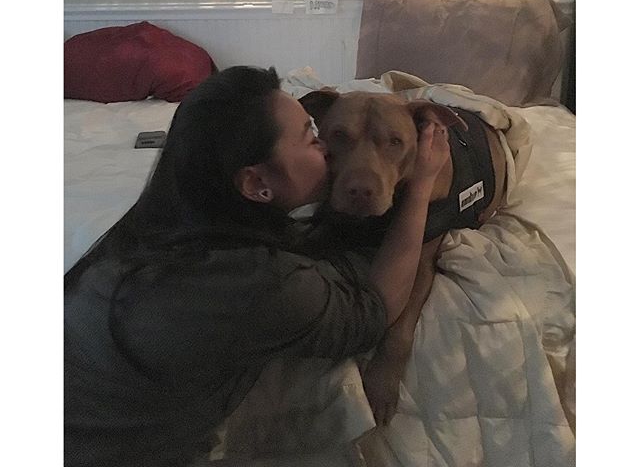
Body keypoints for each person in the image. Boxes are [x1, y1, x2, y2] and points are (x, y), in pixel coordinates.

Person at [64, 65, 449, 467]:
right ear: (254, 184)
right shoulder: (264, 282)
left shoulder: (154, 223)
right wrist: (422, 187)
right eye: (312, 138)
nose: (325, 150)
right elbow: (373, 312)